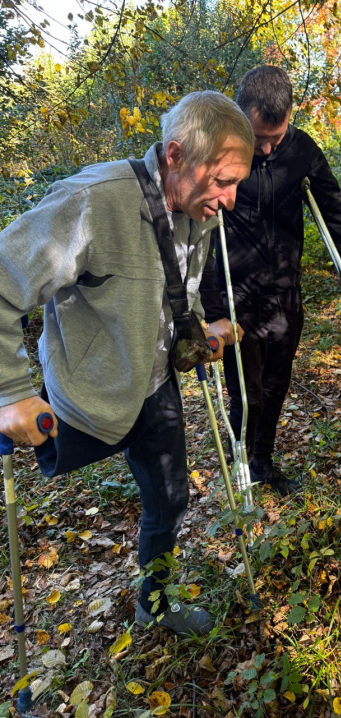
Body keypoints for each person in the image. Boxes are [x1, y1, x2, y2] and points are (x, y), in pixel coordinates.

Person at [0, 91, 253, 635]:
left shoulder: (195, 209)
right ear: (174, 155)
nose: (231, 199)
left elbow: (178, 283)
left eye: (238, 182)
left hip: (153, 386)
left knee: (171, 497)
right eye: (223, 181)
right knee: (35, 446)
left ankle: (154, 602)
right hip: (85, 392)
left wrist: (198, 328)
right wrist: (11, 392)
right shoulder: (92, 202)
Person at [201, 66, 341, 495]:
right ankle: (241, 464)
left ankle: (264, 461)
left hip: (285, 295)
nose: (263, 148)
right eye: (256, 136)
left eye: (273, 139)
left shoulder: (302, 151)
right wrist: (207, 309)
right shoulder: (217, 148)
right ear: (240, 112)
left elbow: (336, 215)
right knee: (247, 392)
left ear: (290, 117)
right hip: (235, 297)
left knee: (277, 385)